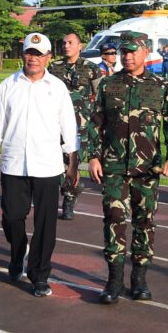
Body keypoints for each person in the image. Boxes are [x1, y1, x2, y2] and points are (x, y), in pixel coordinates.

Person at [84, 31, 168, 304]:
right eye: (123, 52)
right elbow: (94, 124)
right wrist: (93, 157)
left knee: (145, 222)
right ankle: (113, 281)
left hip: (147, 169)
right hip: (114, 167)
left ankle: (139, 280)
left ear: (144, 53)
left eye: (132, 51)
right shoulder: (107, 85)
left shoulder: (160, 85)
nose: (127, 56)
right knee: (114, 221)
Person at [0, 32, 79, 298]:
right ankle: (18, 254)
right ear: (23, 54)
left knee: (46, 224)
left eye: (39, 54)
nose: (33, 59)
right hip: (14, 165)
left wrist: (72, 163)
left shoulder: (57, 87)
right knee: (12, 217)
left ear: (48, 57)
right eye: (29, 53)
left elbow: (69, 128)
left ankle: (39, 275)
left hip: (48, 166)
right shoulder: (8, 85)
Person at [48, 32, 103, 220]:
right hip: (55, 125)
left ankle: (69, 201)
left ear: (80, 46)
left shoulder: (91, 68)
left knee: (73, 163)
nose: (66, 46)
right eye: (64, 43)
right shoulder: (54, 67)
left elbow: (100, 95)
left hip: (80, 127)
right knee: (56, 164)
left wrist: (96, 122)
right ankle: (69, 188)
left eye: (70, 43)